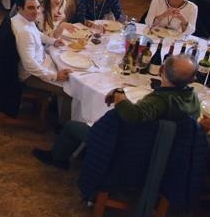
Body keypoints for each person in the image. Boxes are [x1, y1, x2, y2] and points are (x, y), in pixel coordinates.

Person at [32, 54, 200, 170]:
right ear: (193, 80)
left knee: (71, 126)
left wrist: (119, 94)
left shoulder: (161, 101)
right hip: (167, 152)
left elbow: (132, 115)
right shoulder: (193, 99)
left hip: (131, 147)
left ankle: (58, 159)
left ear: (161, 70)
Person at [11, 0, 72, 122]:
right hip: (30, 75)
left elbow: (38, 34)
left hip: (41, 62)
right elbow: (30, 66)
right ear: (20, 8)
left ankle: (55, 107)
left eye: (38, 7)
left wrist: (53, 41)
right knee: (70, 90)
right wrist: (55, 76)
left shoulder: (23, 19)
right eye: (31, 8)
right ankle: (63, 127)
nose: (36, 12)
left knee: (65, 63)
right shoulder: (24, 32)